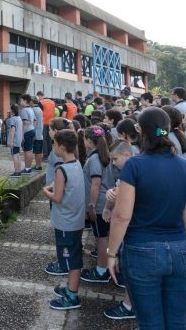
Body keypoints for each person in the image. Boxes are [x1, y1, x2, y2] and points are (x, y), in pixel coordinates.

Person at [107, 107, 186, 329]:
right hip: (181, 248)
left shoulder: (135, 165)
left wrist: (111, 252)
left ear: (140, 131)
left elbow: (121, 216)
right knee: (176, 320)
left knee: (150, 322)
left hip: (142, 249)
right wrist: (182, 246)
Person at [43, 129, 85, 310]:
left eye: (54, 144)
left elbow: (57, 198)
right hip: (75, 220)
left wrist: (46, 191)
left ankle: (72, 296)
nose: (53, 147)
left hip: (66, 223)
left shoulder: (61, 169)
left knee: (71, 260)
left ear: (61, 146)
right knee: (74, 255)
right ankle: (69, 288)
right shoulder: (77, 164)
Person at [102, 140, 136, 321]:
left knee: (130, 268)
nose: (113, 162)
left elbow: (122, 215)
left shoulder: (132, 172)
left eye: (115, 158)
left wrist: (111, 253)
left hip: (133, 230)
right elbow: (116, 192)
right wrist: (109, 203)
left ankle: (129, 305)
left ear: (127, 155)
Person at [81, 125, 114, 283]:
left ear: (88, 140)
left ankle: (101, 270)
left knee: (101, 238)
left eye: (84, 139)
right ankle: (107, 266)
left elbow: (96, 183)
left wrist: (91, 206)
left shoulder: (94, 158)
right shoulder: (103, 154)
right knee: (105, 237)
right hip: (106, 203)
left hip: (99, 205)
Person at [19, 94, 36, 174]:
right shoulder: (31, 109)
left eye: (21, 100)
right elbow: (34, 121)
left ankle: (27, 168)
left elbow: (24, 122)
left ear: (25, 101)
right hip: (32, 130)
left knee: (27, 151)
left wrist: (22, 135)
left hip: (27, 132)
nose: (20, 102)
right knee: (30, 150)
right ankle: (28, 167)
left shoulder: (24, 110)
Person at [8, 104, 23, 178]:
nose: (9, 110)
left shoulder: (13, 119)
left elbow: (12, 131)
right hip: (18, 140)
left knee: (14, 156)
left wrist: (11, 141)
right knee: (17, 155)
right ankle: (19, 171)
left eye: (10, 109)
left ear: (13, 110)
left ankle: (16, 172)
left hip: (14, 140)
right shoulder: (19, 118)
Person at [32, 96, 45, 171]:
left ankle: (38, 166)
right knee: (39, 151)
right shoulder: (40, 109)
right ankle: (38, 166)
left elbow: (33, 122)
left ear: (31, 102)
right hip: (40, 133)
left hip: (36, 133)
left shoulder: (33, 110)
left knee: (37, 151)